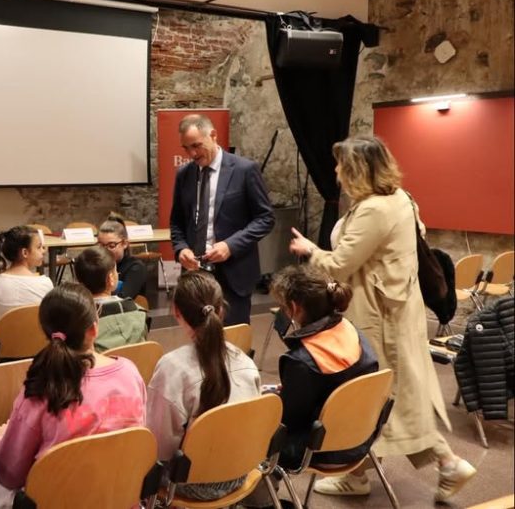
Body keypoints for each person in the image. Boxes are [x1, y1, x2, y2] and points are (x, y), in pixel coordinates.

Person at [289, 135, 476, 502]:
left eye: (341, 165)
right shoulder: (401, 199)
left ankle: (445, 462)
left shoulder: (375, 210)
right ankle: (361, 472)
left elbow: (340, 265)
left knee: (379, 394)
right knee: (391, 394)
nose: (336, 171)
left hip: (378, 317)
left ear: (357, 170)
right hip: (397, 311)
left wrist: (310, 250)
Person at [0, 283, 146, 491]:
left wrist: (0, 441)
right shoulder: (130, 373)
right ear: (94, 328)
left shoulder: (41, 388)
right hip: (122, 496)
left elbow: (8, 475)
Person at [146, 270, 261, 502]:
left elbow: (159, 449)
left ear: (176, 312)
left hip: (191, 482)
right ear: (221, 310)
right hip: (242, 469)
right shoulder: (246, 362)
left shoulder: (171, 368)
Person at [170, 114, 275, 326]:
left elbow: (265, 218)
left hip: (234, 274)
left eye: (196, 146)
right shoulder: (184, 174)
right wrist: (181, 249)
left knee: (233, 338)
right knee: (199, 337)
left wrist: (230, 245)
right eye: (186, 148)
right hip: (196, 275)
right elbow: (177, 223)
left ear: (213, 135)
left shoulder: (245, 170)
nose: (192, 154)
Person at [269, 265, 378, 468]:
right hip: (362, 437)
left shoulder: (301, 361)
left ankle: (263, 487)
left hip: (319, 448)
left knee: (252, 433)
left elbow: (287, 421)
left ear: (294, 308)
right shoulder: (353, 331)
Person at [73, 246, 147, 351]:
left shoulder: (75, 320)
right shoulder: (139, 313)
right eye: (116, 271)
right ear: (111, 278)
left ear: (78, 281)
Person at [0, 226, 53, 321]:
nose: (43, 251)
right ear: (25, 253)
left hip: (5, 331)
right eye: (39, 247)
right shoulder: (45, 283)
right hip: (35, 331)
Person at [97, 213, 147, 299]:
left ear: (124, 244)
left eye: (111, 246)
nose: (105, 250)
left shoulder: (136, 267)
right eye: (101, 245)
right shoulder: (96, 265)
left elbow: (124, 298)